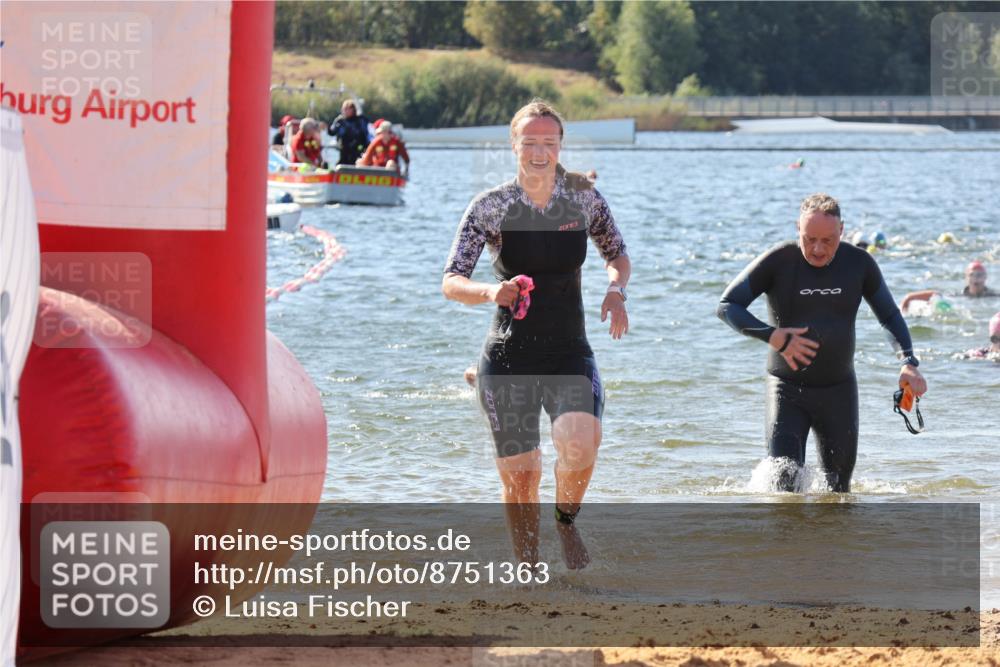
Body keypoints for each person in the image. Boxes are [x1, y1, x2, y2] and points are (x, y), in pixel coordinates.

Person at [442, 100, 630, 569]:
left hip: (568, 350)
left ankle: (566, 523)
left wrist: (616, 289)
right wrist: (491, 291)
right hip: (508, 354)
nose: (539, 151)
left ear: (560, 146)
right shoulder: (491, 206)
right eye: (530, 142)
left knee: (579, 441)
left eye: (549, 142)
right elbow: (452, 280)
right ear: (514, 146)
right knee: (521, 477)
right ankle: (527, 570)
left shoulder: (583, 199)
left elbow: (617, 254)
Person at [717, 193, 926, 493]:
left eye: (827, 240)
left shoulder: (859, 264)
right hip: (786, 390)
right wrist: (773, 335)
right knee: (783, 487)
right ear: (797, 229)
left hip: (839, 392)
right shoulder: (779, 261)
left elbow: (890, 315)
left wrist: (908, 362)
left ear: (841, 230)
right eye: (809, 238)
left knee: (839, 492)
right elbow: (727, 305)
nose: (817, 249)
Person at [900, 260, 997, 312]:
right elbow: (936, 294)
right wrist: (908, 298)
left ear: (985, 278)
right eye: (972, 275)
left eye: (979, 275)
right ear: (966, 278)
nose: (976, 279)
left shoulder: (993, 296)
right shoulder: (958, 295)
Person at [327, 99, 371, 166]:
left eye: (347, 109)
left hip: (358, 150)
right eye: (344, 109)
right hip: (344, 150)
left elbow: (368, 135)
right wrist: (327, 127)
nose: (344, 111)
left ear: (353, 110)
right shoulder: (340, 121)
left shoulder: (361, 120)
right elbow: (331, 132)